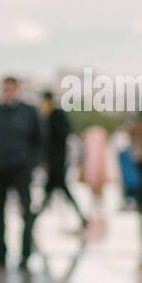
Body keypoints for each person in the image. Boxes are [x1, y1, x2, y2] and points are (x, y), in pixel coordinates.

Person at [0, 76, 41, 269]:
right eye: (5, 89)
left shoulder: (29, 112)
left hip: (21, 169)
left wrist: (31, 164)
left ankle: (25, 254)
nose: (8, 93)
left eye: (11, 89)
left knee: (26, 211)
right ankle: (0, 252)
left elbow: (38, 140)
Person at [39, 91, 87, 228]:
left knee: (50, 193)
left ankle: (32, 219)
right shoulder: (49, 116)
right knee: (57, 192)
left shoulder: (55, 116)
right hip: (55, 163)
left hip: (57, 163)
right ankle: (82, 217)